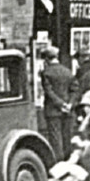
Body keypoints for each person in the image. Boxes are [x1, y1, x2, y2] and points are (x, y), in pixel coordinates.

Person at [33, 34, 78, 163]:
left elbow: (49, 92)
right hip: (68, 110)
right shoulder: (67, 71)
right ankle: (69, 161)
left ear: (46, 59)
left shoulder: (46, 73)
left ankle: (58, 163)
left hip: (53, 111)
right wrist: (69, 104)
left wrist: (60, 104)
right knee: (67, 136)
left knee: (55, 138)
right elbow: (75, 89)